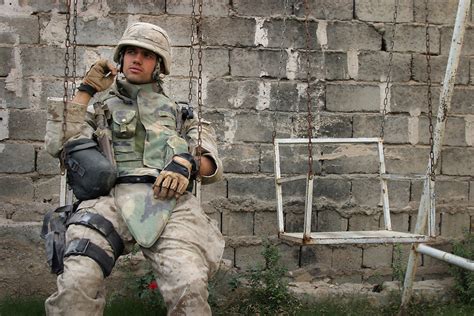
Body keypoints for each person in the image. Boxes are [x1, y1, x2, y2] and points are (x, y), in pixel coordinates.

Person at [43, 22, 224, 315]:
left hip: (170, 203)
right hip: (108, 200)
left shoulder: (182, 113)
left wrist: (186, 163)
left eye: (147, 55)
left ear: (159, 66)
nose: (137, 59)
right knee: (77, 281)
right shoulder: (99, 108)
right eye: (131, 52)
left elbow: (211, 164)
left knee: (189, 285)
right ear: (121, 57)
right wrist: (86, 91)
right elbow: (58, 145)